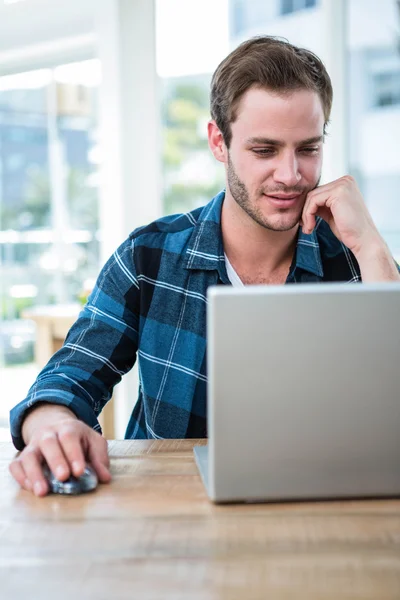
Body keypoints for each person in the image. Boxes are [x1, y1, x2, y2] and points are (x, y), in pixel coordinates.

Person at [9, 36, 400, 496]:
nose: (291, 175)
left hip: (321, 515)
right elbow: (70, 375)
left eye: (308, 149)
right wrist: (52, 424)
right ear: (219, 141)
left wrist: (374, 248)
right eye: (265, 150)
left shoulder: (355, 261)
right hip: (171, 522)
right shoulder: (149, 256)